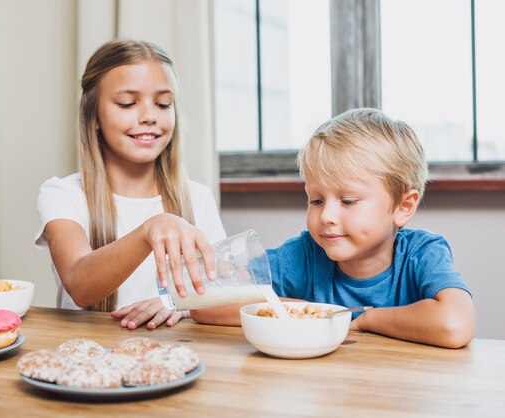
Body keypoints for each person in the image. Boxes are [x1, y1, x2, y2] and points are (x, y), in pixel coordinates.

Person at [191, 108, 475, 348]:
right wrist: (314, 314)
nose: (326, 215)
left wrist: (367, 320)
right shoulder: (304, 255)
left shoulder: (422, 253)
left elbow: (455, 324)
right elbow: (208, 303)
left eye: (348, 201)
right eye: (315, 200)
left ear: (404, 207)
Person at [35, 39, 226, 330]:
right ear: (93, 115)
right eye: (127, 103)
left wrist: (178, 305)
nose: (149, 116)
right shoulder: (63, 195)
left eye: (163, 104)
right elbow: (79, 285)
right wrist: (150, 229)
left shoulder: (198, 197)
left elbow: (221, 294)